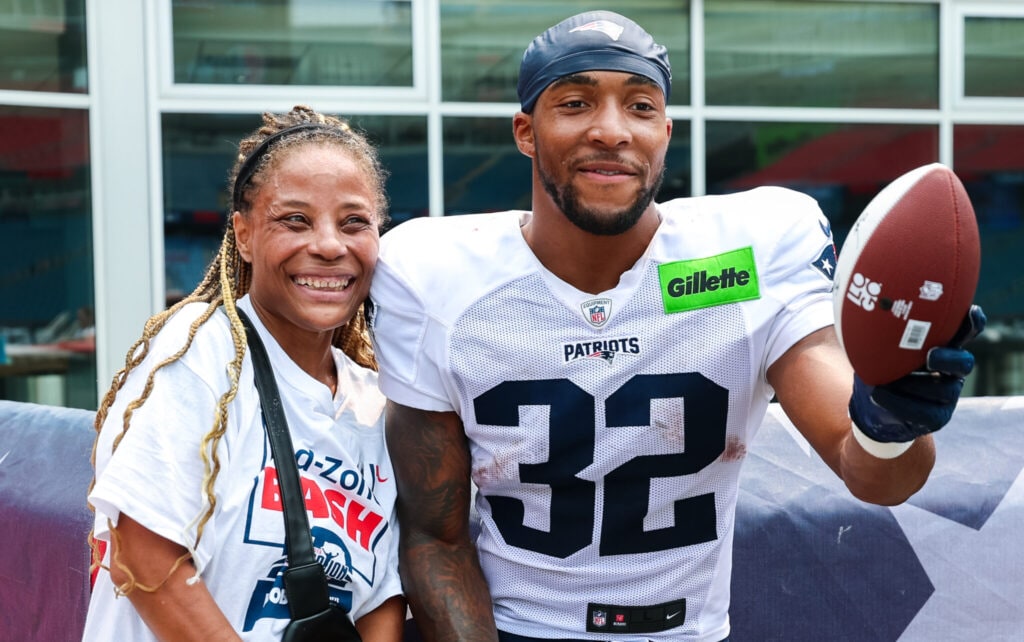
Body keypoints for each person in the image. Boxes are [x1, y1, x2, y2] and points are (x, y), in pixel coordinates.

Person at [368, 10, 985, 642]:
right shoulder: (436, 274)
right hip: (520, 628)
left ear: (665, 132)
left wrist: (889, 421)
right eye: (576, 103)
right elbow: (434, 538)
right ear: (527, 131)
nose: (611, 131)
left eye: (639, 107)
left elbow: (872, 475)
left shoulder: (751, 253)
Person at [84, 105, 405, 641]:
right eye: (294, 220)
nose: (329, 245)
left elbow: (379, 602)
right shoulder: (203, 350)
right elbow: (142, 556)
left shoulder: (378, 402)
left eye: (354, 222)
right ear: (245, 235)